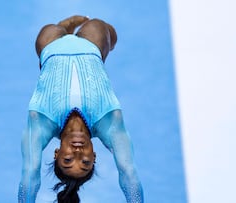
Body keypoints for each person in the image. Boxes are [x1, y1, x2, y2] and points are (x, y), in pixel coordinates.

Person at [18, 15, 144, 203]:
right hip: (92, 47)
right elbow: (128, 172)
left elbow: (30, 173)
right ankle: (84, 33)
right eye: (85, 162)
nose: (77, 153)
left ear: (56, 153)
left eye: (67, 161)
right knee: (100, 27)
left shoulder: (41, 124)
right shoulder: (109, 124)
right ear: (94, 155)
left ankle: (65, 28)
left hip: (51, 47)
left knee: (49, 32)